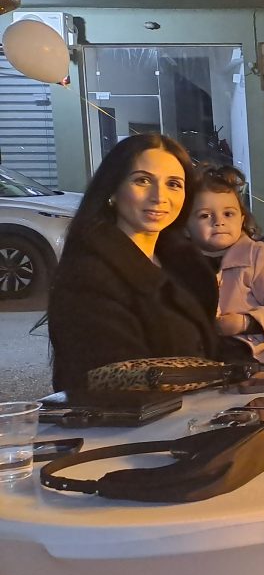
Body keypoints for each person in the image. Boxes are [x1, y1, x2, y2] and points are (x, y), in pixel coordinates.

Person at [48, 134, 219, 391]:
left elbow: (208, 347)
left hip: (198, 408)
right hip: (131, 415)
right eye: (142, 180)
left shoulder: (185, 265)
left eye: (173, 184)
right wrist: (221, 374)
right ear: (112, 190)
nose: (159, 196)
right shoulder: (87, 276)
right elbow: (117, 376)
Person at [186, 164, 264, 385]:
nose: (219, 222)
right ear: (185, 225)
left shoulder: (257, 255)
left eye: (228, 214)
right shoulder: (182, 262)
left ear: (242, 218)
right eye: (205, 215)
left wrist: (246, 322)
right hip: (199, 365)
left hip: (252, 360)